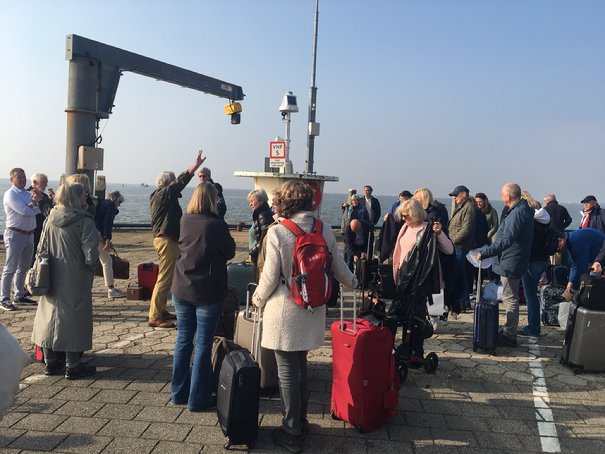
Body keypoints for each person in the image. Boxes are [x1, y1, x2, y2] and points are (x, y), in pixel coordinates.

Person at [252, 180, 357, 453]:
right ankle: (300, 421)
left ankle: (291, 431)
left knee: (287, 371)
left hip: (284, 311)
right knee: (301, 367)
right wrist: (355, 282)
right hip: (312, 308)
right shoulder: (323, 230)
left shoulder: (278, 232)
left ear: (285, 202)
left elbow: (270, 277)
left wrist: (256, 299)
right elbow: (341, 270)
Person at [170, 182, 236, 412]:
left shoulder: (185, 220)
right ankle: (197, 399)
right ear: (212, 200)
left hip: (181, 285)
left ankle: (178, 392)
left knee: (183, 339)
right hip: (208, 289)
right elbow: (230, 251)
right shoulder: (217, 225)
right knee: (203, 344)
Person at [30, 183, 99, 379]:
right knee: (74, 317)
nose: (86, 198)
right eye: (84, 195)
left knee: (49, 314)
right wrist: (92, 268)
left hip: (50, 272)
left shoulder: (50, 219)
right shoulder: (85, 222)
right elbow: (91, 255)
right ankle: (73, 364)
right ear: (77, 198)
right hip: (76, 275)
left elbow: (41, 248)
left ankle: (51, 362)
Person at [149, 150, 206, 329]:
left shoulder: (162, 196)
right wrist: (194, 167)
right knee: (164, 279)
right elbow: (181, 182)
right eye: (172, 180)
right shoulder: (163, 194)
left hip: (167, 239)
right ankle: (155, 316)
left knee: (167, 277)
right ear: (167, 183)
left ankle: (160, 310)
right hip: (166, 240)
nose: (175, 183)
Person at [392, 199, 454, 360]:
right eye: (402, 216)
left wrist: (440, 233)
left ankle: (416, 351)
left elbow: (449, 249)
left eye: (405, 215)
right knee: (405, 316)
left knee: (417, 318)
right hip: (403, 279)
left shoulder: (429, 229)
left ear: (414, 214)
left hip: (420, 281)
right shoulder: (405, 227)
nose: (403, 218)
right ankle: (406, 346)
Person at [477, 183, 534, 348]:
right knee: (511, 297)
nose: (502, 198)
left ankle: (510, 335)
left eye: (502, 195)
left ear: (508, 196)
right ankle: (509, 330)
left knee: (510, 298)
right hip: (513, 259)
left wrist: (487, 252)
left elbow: (506, 239)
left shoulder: (517, 213)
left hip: (511, 261)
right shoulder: (521, 211)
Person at [1, 168, 42, 311]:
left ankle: (19, 295)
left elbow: (36, 209)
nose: (23, 180)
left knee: (23, 267)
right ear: (12, 179)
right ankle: (4, 298)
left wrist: (34, 204)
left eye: (24, 177)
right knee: (10, 267)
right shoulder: (10, 195)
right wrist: (34, 204)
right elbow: (25, 211)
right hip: (15, 234)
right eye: (19, 177)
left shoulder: (26, 193)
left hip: (29, 234)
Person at [519, 191, 551, 338]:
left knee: (530, 295)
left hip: (531, 260)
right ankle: (534, 326)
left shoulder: (529, 219)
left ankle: (533, 328)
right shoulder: (545, 219)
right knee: (534, 295)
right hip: (543, 259)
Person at [448, 185, 476, 312]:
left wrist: (453, 240)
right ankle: (461, 300)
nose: (454, 198)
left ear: (464, 194)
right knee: (459, 272)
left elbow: (466, 228)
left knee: (460, 273)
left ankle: (464, 301)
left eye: (456, 195)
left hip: (460, 245)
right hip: (456, 244)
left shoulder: (469, 208)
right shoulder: (462, 206)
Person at [557, 228, 605, 301]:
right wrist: (569, 285)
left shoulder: (576, 241)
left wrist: (571, 290)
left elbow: (581, 267)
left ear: (561, 241)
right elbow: (575, 265)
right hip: (599, 258)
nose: (558, 252)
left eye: (557, 249)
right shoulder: (572, 239)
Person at [94, 190, 125, 298]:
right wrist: (107, 239)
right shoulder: (110, 206)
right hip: (99, 236)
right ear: (115, 199)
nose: (119, 205)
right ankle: (111, 289)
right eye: (119, 202)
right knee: (107, 261)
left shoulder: (102, 203)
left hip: (91, 234)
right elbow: (107, 223)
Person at [248, 188, 274, 280]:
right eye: (249, 202)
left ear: (261, 201)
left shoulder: (262, 215)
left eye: (252, 201)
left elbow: (264, 238)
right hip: (258, 255)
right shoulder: (261, 214)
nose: (250, 204)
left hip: (260, 256)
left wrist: (252, 252)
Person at [29, 172, 54, 265]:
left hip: (42, 229)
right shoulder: (27, 193)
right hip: (31, 228)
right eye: (43, 182)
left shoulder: (45, 196)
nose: (46, 185)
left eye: (46, 182)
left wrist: (43, 198)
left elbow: (52, 207)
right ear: (35, 182)